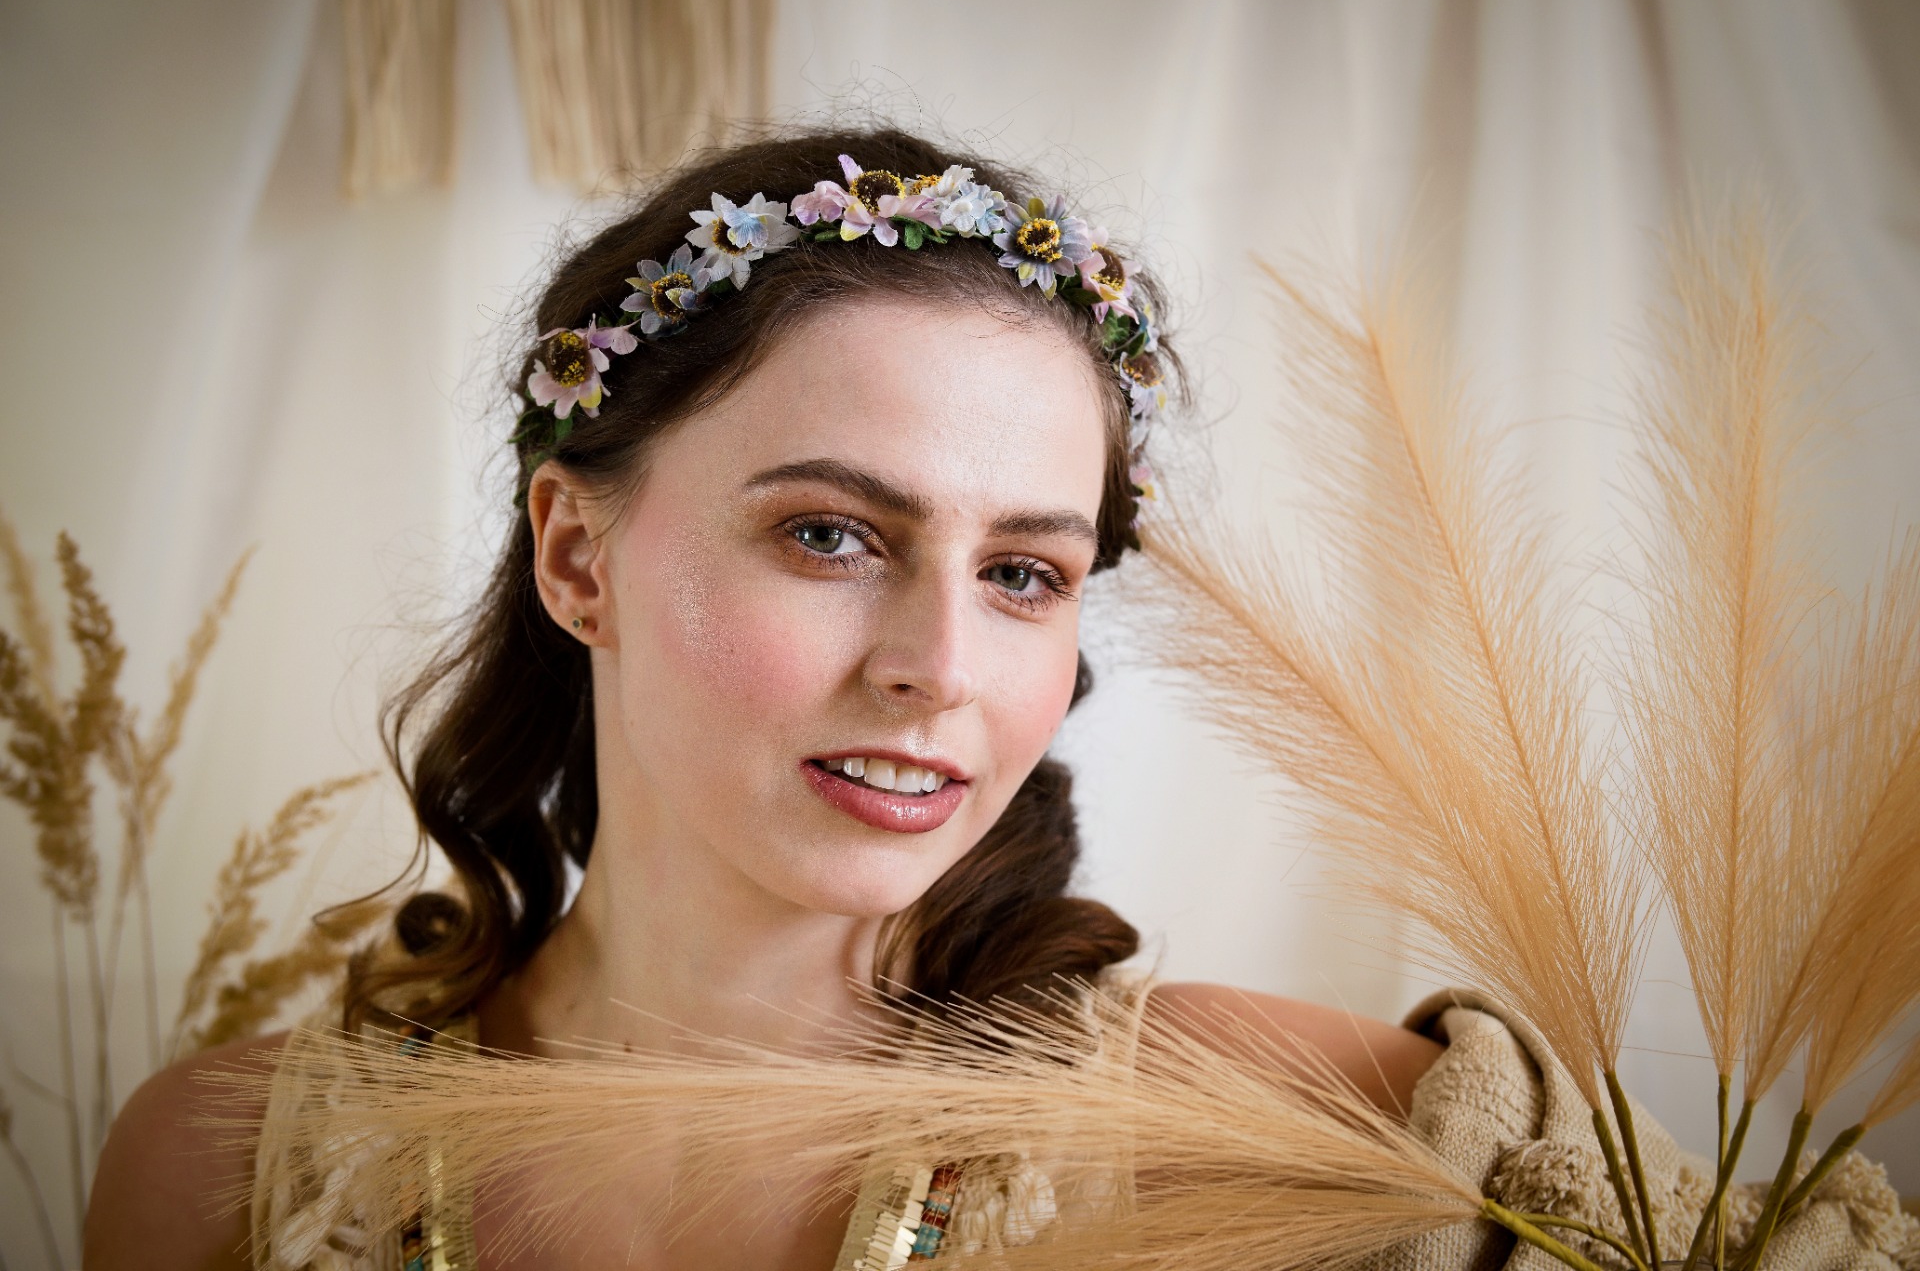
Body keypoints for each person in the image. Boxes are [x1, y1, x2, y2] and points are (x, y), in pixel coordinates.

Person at [83, 127, 1443, 1270]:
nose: (941, 668)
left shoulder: (1272, 1122)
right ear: (579, 558)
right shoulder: (222, 1172)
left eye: (1023, 573)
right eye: (830, 536)